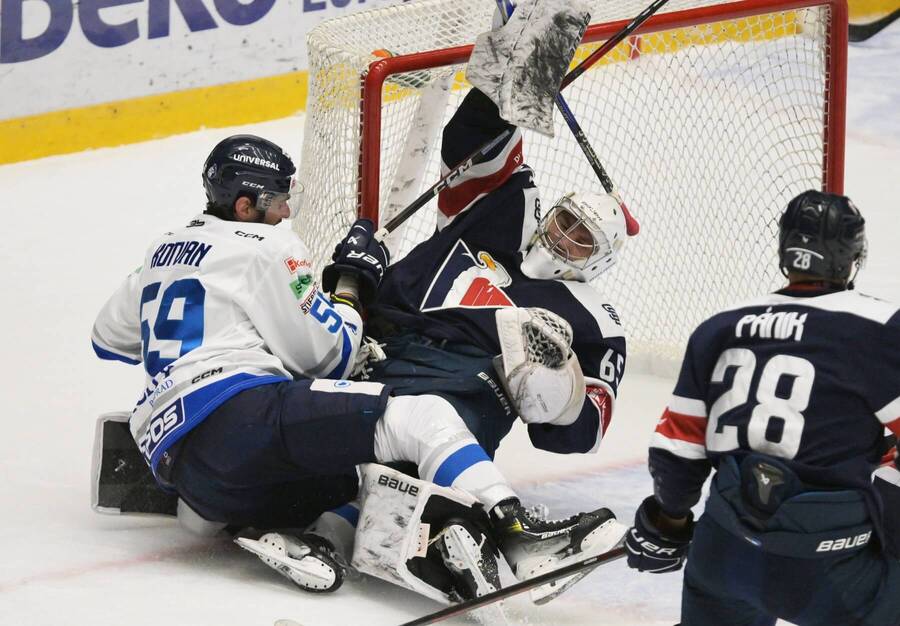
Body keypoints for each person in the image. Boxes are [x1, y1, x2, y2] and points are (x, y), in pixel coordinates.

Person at [91, 134, 619, 601]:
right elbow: (329, 352)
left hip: (169, 455)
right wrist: (351, 284)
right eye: (277, 201)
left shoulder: (161, 248)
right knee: (425, 418)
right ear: (246, 205)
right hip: (240, 418)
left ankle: (309, 535)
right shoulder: (269, 246)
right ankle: (514, 529)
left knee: (356, 471)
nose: (286, 212)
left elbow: (109, 338)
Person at [624, 190, 900, 626]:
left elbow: (677, 451)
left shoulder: (719, 326)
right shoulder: (882, 329)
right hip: (831, 571)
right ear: (852, 256)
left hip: (725, 553)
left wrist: (668, 522)